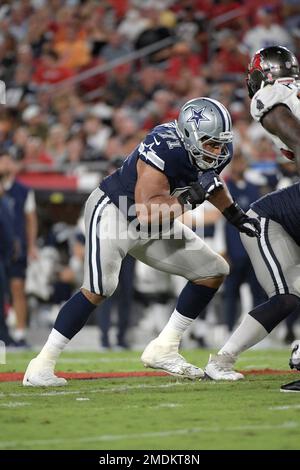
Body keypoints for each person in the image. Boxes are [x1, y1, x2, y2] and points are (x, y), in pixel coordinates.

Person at [23, 97, 260, 387]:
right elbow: (146, 212)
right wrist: (192, 197)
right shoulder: (164, 146)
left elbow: (211, 184)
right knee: (99, 288)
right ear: (189, 136)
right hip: (116, 211)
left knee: (213, 270)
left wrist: (235, 216)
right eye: (210, 143)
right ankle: (41, 364)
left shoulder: (219, 151)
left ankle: (165, 347)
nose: (218, 151)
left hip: (155, 220)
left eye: (221, 143)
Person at [204, 46, 300, 392]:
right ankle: (222, 361)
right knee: (286, 295)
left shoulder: (272, 95)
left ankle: (222, 360)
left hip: (273, 213)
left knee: (287, 297)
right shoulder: (281, 97)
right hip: (266, 220)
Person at [0, 152, 38, 347]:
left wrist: (31, 246)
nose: (5, 164)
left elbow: (30, 219)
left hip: (16, 247)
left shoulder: (23, 190)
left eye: (8, 160)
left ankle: (20, 332)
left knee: (17, 288)